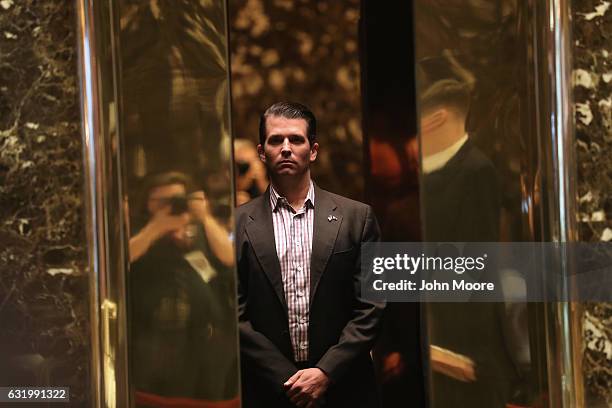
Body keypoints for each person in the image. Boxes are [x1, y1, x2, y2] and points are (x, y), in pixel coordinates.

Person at [235, 102, 384, 407]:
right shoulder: (236, 223)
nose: (286, 148)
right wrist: (286, 379)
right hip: (269, 390)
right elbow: (232, 313)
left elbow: (373, 304)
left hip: (345, 388)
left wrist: (326, 372)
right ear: (262, 151)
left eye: (296, 140)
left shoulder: (358, 217)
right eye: (276, 140)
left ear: (313, 150)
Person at [128, 172, 239, 407]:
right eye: (162, 201)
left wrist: (205, 217)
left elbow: (230, 258)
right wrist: (157, 227)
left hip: (209, 344)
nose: (172, 205)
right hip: (156, 346)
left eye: (177, 199)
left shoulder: (201, 230)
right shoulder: (140, 231)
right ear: (148, 204)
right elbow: (122, 259)